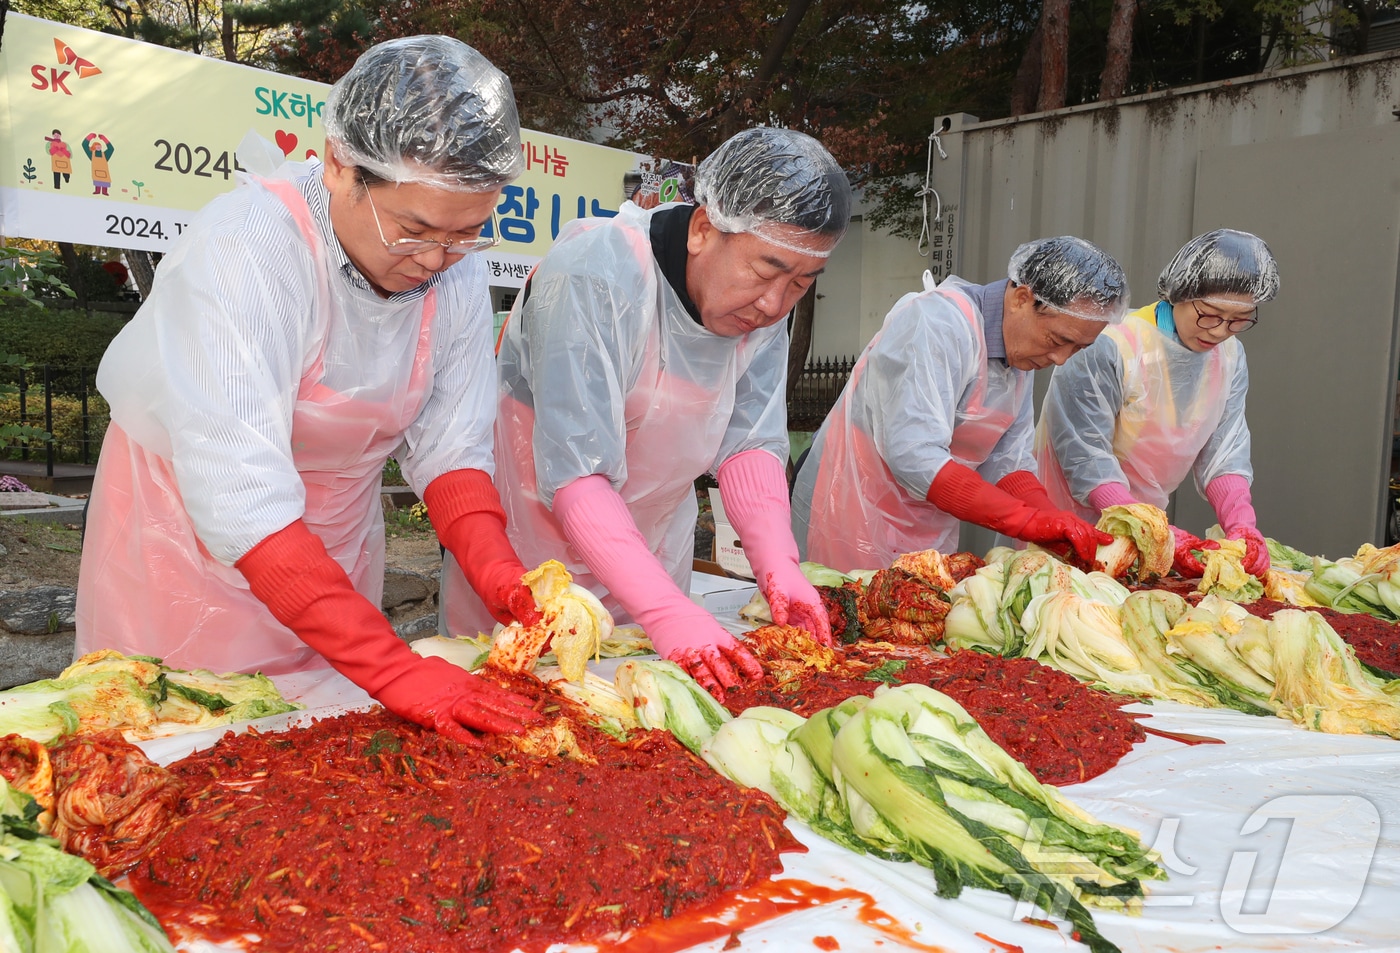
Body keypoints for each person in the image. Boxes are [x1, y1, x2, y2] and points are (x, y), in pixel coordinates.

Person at [75, 36, 544, 743]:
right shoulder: (248, 249)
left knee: (324, 745)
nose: (436, 260)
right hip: (188, 551)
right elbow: (241, 496)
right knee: (184, 748)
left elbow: (451, 449)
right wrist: (394, 668)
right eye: (413, 228)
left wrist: (505, 576)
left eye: (466, 234)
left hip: (333, 557)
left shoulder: (455, 269)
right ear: (338, 166)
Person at [439, 127, 851, 694]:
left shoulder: (763, 314)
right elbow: (578, 471)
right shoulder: (595, 274)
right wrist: (666, 613)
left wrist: (779, 568)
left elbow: (750, 443)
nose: (774, 303)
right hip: (531, 567)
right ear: (705, 229)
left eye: (802, 283)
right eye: (764, 271)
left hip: (652, 561)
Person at [791, 238, 1130, 573]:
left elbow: (1006, 458)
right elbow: (914, 456)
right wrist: (1027, 521)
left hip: (927, 523)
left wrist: (1051, 518)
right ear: (1022, 298)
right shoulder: (937, 323)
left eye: (1077, 349)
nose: (1059, 358)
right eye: (1056, 340)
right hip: (854, 510)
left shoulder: (1021, 355)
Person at [1035, 228, 1279, 578]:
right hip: (1071, 523)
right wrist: (1152, 531)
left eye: (1240, 320)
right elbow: (1085, 457)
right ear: (1179, 293)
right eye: (1209, 314)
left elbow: (1225, 449)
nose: (1220, 331)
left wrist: (1242, 525)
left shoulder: (1229, 356)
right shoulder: (1110, 343)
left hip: (1149, 529)